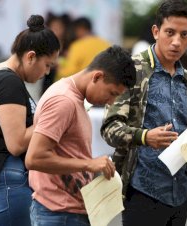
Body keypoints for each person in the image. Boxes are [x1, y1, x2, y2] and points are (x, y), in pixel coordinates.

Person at [101, 1, 187, 226]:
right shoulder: (132, 70)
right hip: (142, 190)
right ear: (156, 31)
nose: (176, 41)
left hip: (179, 190)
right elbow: (110, 129)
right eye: (170, 32)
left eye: (184, 34)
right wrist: (144, 136)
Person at [24, 45, 136, 226]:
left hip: (68, 211)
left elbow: (66, 152)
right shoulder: (64, 101)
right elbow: (34, 158)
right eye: (112, 93)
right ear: (97, 76)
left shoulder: (73, 96)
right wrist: (88, 164)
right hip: (59, 214)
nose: (111, 101)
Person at [0, 15, 60, 226]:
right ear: (30, 57)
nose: (46, 73)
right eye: (47, 65)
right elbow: (16, 143)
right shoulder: (8, 82)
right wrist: (52, 117)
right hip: (5, 184)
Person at [55, 16, 111, 82]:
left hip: (85, 85)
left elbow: (69, 72)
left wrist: (59, 67)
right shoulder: (106, 44)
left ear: (80, 29)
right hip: (105, 83)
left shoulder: (77, 46)